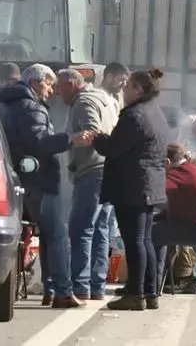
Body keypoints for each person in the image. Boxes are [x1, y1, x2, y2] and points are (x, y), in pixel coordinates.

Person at [76, 68, 171, 311]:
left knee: (135, 241)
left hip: (133, 186)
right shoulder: (155, 112)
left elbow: (114, 147)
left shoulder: (134, 116)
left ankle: (136, 294)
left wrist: (97, 138)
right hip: (149, 184)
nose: (124, 90)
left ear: (138, 90)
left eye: (128, 86)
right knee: (145, 240)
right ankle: (149, 291)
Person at [0, 64, 80, 308]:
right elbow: (39, 142)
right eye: (48, 84)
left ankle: (51, 290)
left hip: (19, 178)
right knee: (56, 235)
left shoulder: (4, 103)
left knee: (46, 234)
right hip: (40, 179)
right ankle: (62, 291)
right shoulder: (31, 106)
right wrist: (69, 139)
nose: (51, 91)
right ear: (34, 82)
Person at [56, 69, 120, 301]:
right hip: (110, 171)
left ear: (72, 84)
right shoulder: (105, 98)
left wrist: (74, 144)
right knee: (101, 229)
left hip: (93, 171)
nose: (56, 92)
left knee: (81, 228)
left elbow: (93, 131)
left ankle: (81, 285)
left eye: (59, 87)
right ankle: (96, 285)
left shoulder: (83, 102)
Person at [153, 143, 196, 294]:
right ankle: (158, 282)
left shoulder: (177, 174)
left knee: (151, 234)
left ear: (167, 162)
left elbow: (155, 194)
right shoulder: (192, 169)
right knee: (160, 229)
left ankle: (152, 285)